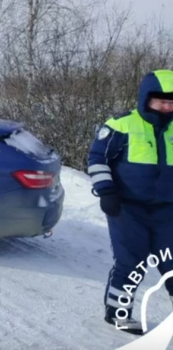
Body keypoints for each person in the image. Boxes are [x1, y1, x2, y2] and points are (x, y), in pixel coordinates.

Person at [88, 69, 173, 335]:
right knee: (132, 261)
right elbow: (97, 158)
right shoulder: (121, 125)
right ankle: (118, 313)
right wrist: (106, 191)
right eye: (161, 101)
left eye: (172, 102)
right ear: (146, 98)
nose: (167, 107)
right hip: (126, 207)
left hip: (167, 209)